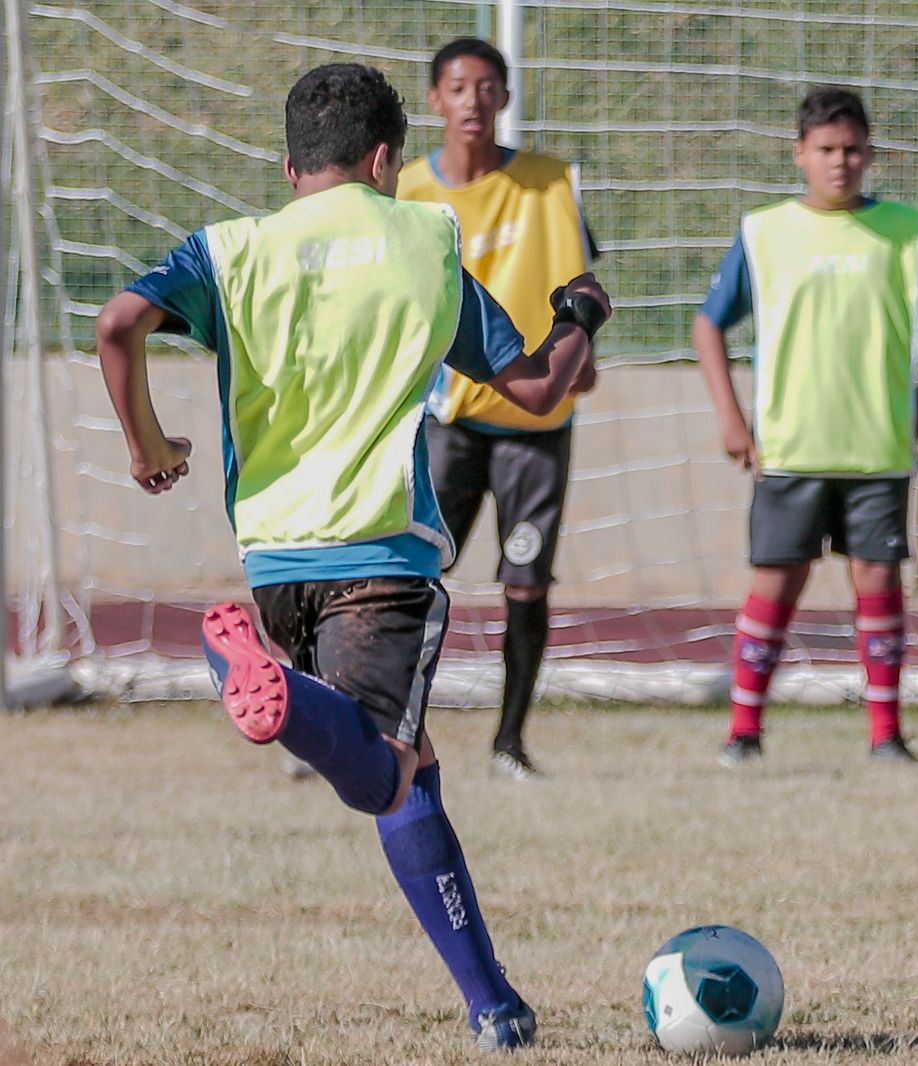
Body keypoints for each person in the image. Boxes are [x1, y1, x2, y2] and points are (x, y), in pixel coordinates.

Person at [94, 63, 610, 1050]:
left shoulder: (230, 249)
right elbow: (537, 389)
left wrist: (148, 449)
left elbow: (116, 323)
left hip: (276, 564)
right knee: (380, 774)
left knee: (416, 775)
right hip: (380, 556)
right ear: (387, 157)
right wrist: (579, 312)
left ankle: (493, 1002)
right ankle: (261, 685)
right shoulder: (422, 237)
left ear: (288, 165)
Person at [695, 86, 918, 766]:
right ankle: (744, 731)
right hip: (791, 445)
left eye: (851, 149)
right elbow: (709, 323)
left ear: (870, 155)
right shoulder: (765, 232)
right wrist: (732, 417)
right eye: (825, 149)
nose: (839, 162)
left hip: (878, 445)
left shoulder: (904, 230)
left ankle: (885, 735)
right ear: (800, 154)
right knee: (776, 584)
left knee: (877, 584)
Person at [398, 37, 602, 781]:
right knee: (412, 576)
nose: (473, 100)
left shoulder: (552, 184)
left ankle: (510, 743)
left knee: (526, 583)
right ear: (435, 101)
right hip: (446, 423)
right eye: (458, 87)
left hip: (535, 428)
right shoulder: (409, 191)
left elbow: (583, 280)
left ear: (505, 98)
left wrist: (586, 356)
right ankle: (382, 720)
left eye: (487, 87)